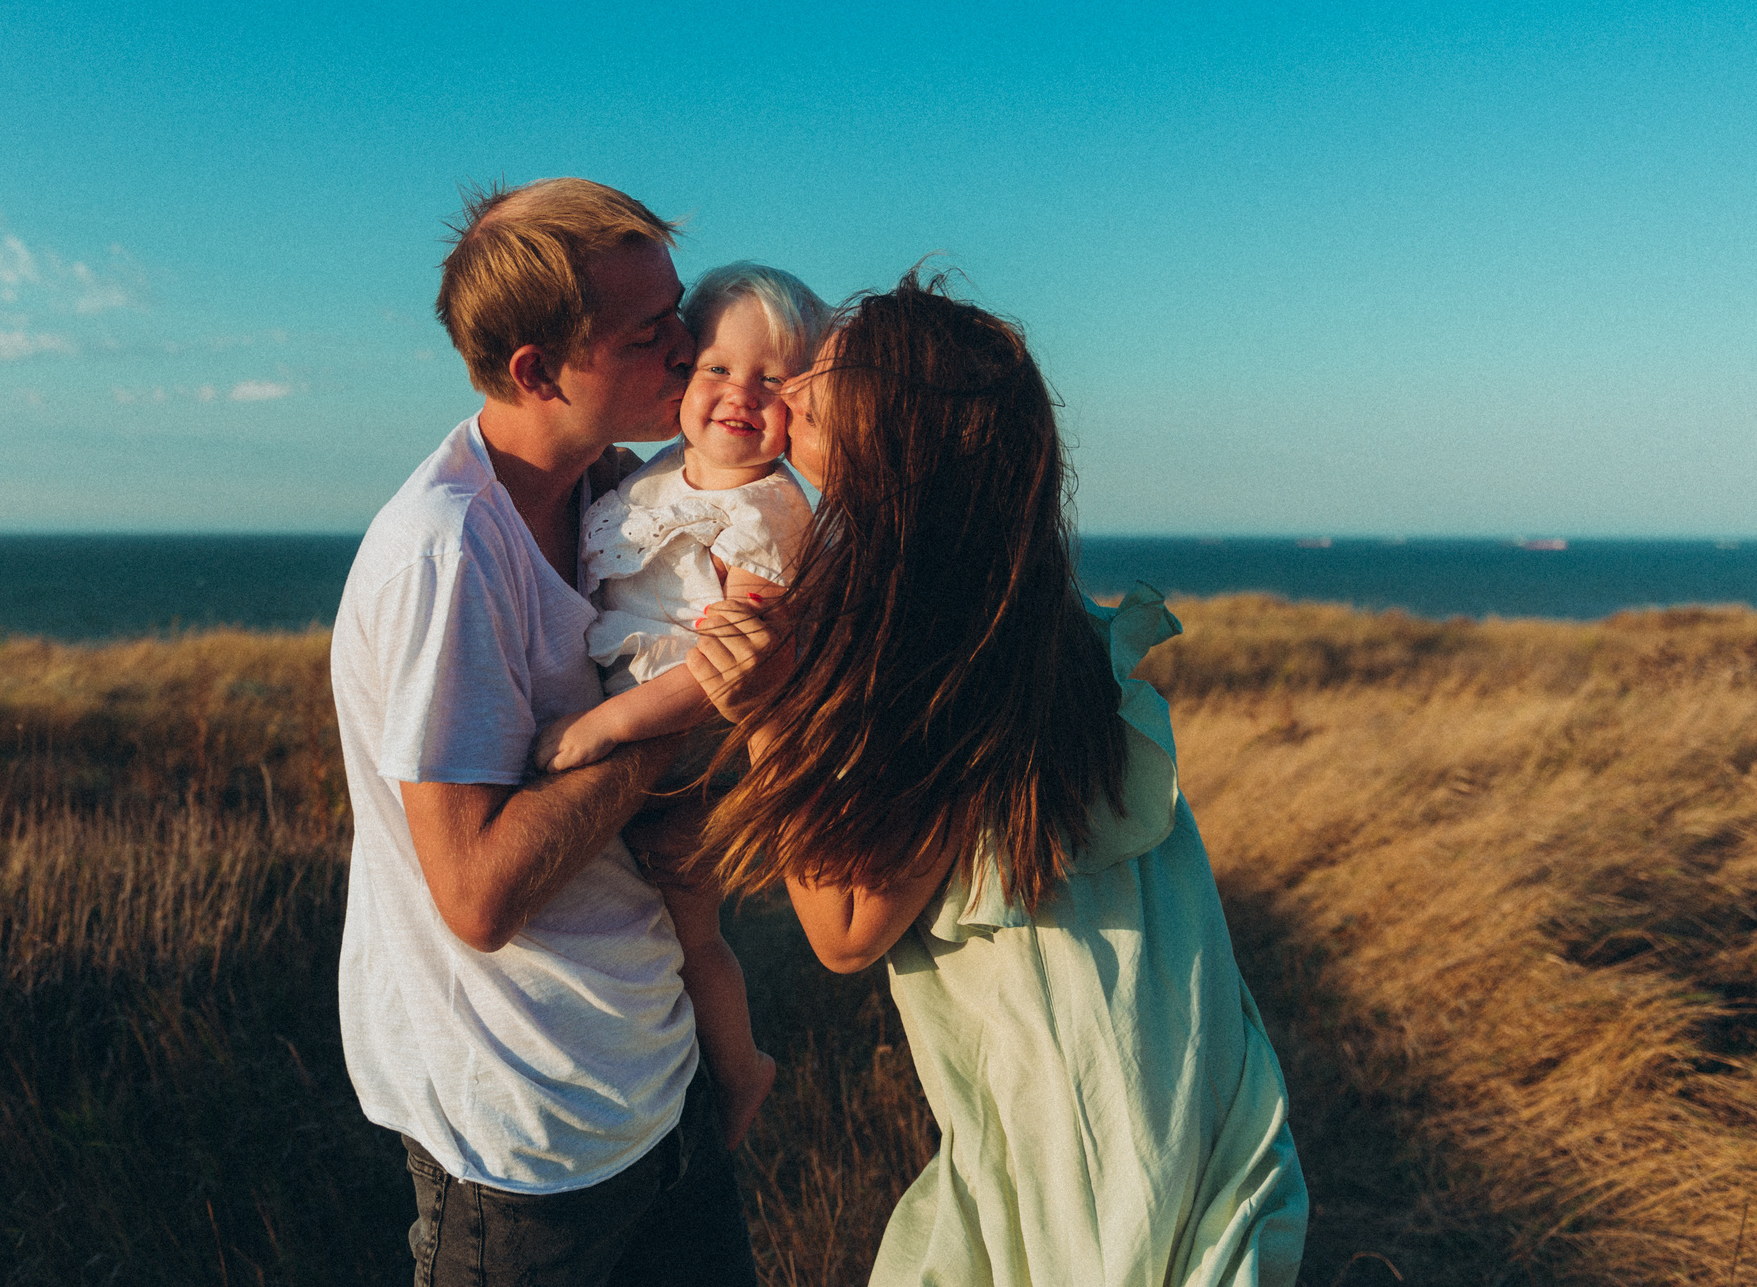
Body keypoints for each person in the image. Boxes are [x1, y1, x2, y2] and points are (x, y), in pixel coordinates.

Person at [688, 271, 1309, 1287]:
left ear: (891, 436)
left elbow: (845, 928)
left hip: (1082, 1096)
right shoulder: (1001, 589)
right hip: (1151, 1051)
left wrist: (764, 716)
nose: (789, 389)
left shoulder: (941, 645)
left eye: (819, 379)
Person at [331, 178, 756, 1287]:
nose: (686, 344)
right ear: (534, 368)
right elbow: (476, 894)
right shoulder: (449, 551)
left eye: (681, 313)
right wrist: (682, 704)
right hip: (526, 1144)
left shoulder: (624, 497)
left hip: (657, 1086)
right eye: (648, 329)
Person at [530, 261, 835, 1150]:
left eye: (773, 380)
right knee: (638, 920)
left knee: (691, 922)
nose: (741, 394)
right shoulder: (654, 474)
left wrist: (602, 724)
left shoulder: (769, 511)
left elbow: (734, 667)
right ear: (681, 375)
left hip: (694, 742)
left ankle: (740, 1068)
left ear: (804, 404)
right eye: (716, 367)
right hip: (632, 721)